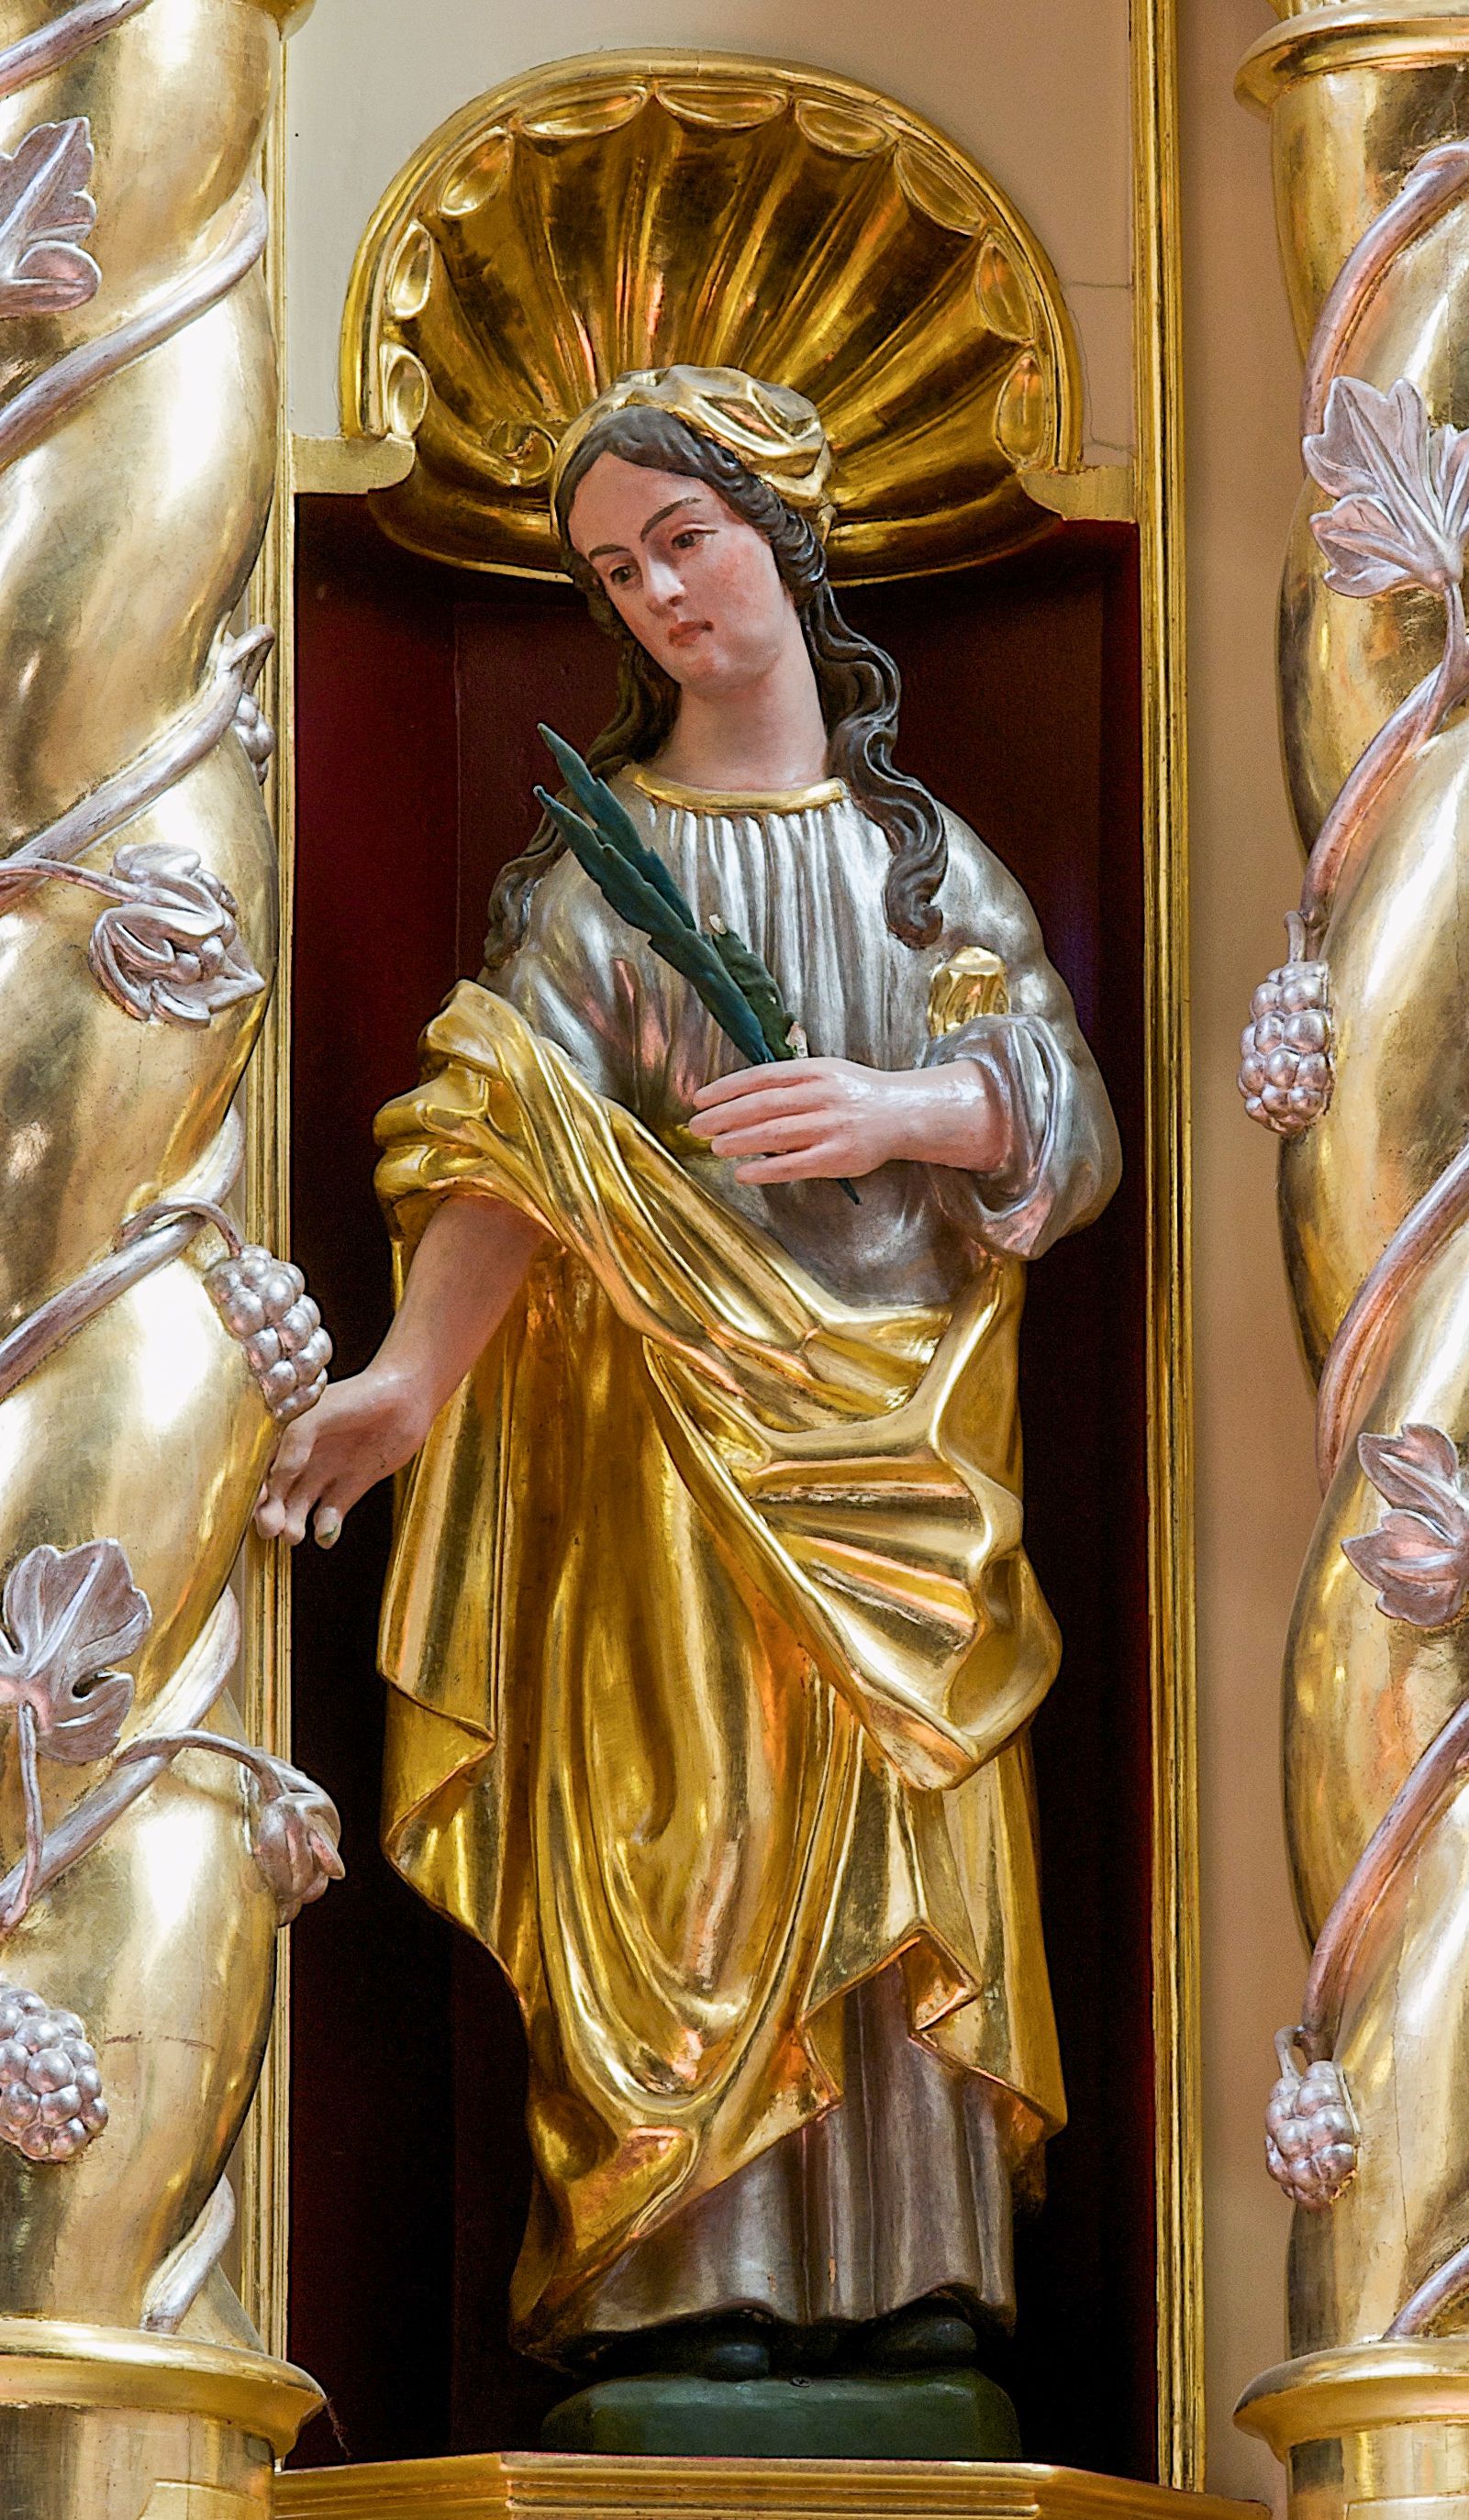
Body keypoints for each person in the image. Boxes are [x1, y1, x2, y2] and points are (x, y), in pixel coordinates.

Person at [257, 366, 1121, 2381]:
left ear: (782, 542)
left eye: (683, 541)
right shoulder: (601, 875)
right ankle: (673, 2269)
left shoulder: (924, 866)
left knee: (897, 1824)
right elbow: (506, 1134)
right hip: (663, 1447)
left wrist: (907, 1105)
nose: (655, 595)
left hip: (905, 1438)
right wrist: (409, 1379)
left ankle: (921, 2280)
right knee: (695, 1834)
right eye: (614, 572)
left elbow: (1064, 1115)